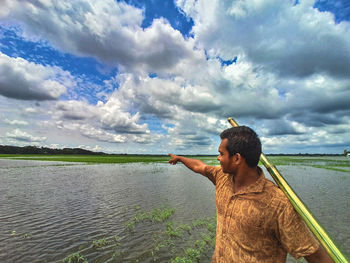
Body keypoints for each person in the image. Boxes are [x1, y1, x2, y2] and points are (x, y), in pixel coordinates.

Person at [169, 126, 333, 263]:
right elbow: (200, 166)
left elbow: (312, 253)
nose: (218, 158)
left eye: (221, 154)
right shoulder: (222, 177)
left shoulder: (276, 203)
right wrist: (180, 158)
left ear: (237, 158)